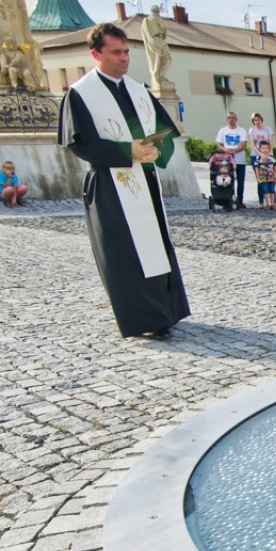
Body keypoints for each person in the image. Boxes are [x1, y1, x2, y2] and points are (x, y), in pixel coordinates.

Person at [58, 22, 188, 338]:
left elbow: (167, 132)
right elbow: (80, 144)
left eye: (126, 51)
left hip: (146, 181)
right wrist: (127, 150)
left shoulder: (137, 90)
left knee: (156, 245)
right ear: (95, 54)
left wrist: (158, 149)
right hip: (110, 187)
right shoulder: (80, 94)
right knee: (126, 255)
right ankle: (145, 320)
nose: (124, 58)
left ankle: (165, 313)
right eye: (116, 52)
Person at [216, 111, 248, 209]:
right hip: (227, 160)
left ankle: (240, 201)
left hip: (240, 160)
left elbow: (243, 145)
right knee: (228, 180)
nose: (231, 119)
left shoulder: (241, 131)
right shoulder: (223, 131)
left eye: (233, 118)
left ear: (236, 119)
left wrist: (234, 150)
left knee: (241, 181)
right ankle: (227, 200)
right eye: (229, 117)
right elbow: (219, 143)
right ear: (227, 119)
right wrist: (225, 150)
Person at [247, 113, 274, 208]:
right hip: (256, 156)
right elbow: (252, 144)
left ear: (261, 120)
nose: (257, 122)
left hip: (268, 157)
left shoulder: (268, 130)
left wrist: (267, 154)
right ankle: (261, 201)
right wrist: (260, 154)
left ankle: (272, 202)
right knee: (260, 179)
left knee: (270, 178)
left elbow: (271, 143)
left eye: (258, 120)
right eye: (255, 120)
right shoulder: (252, 130)